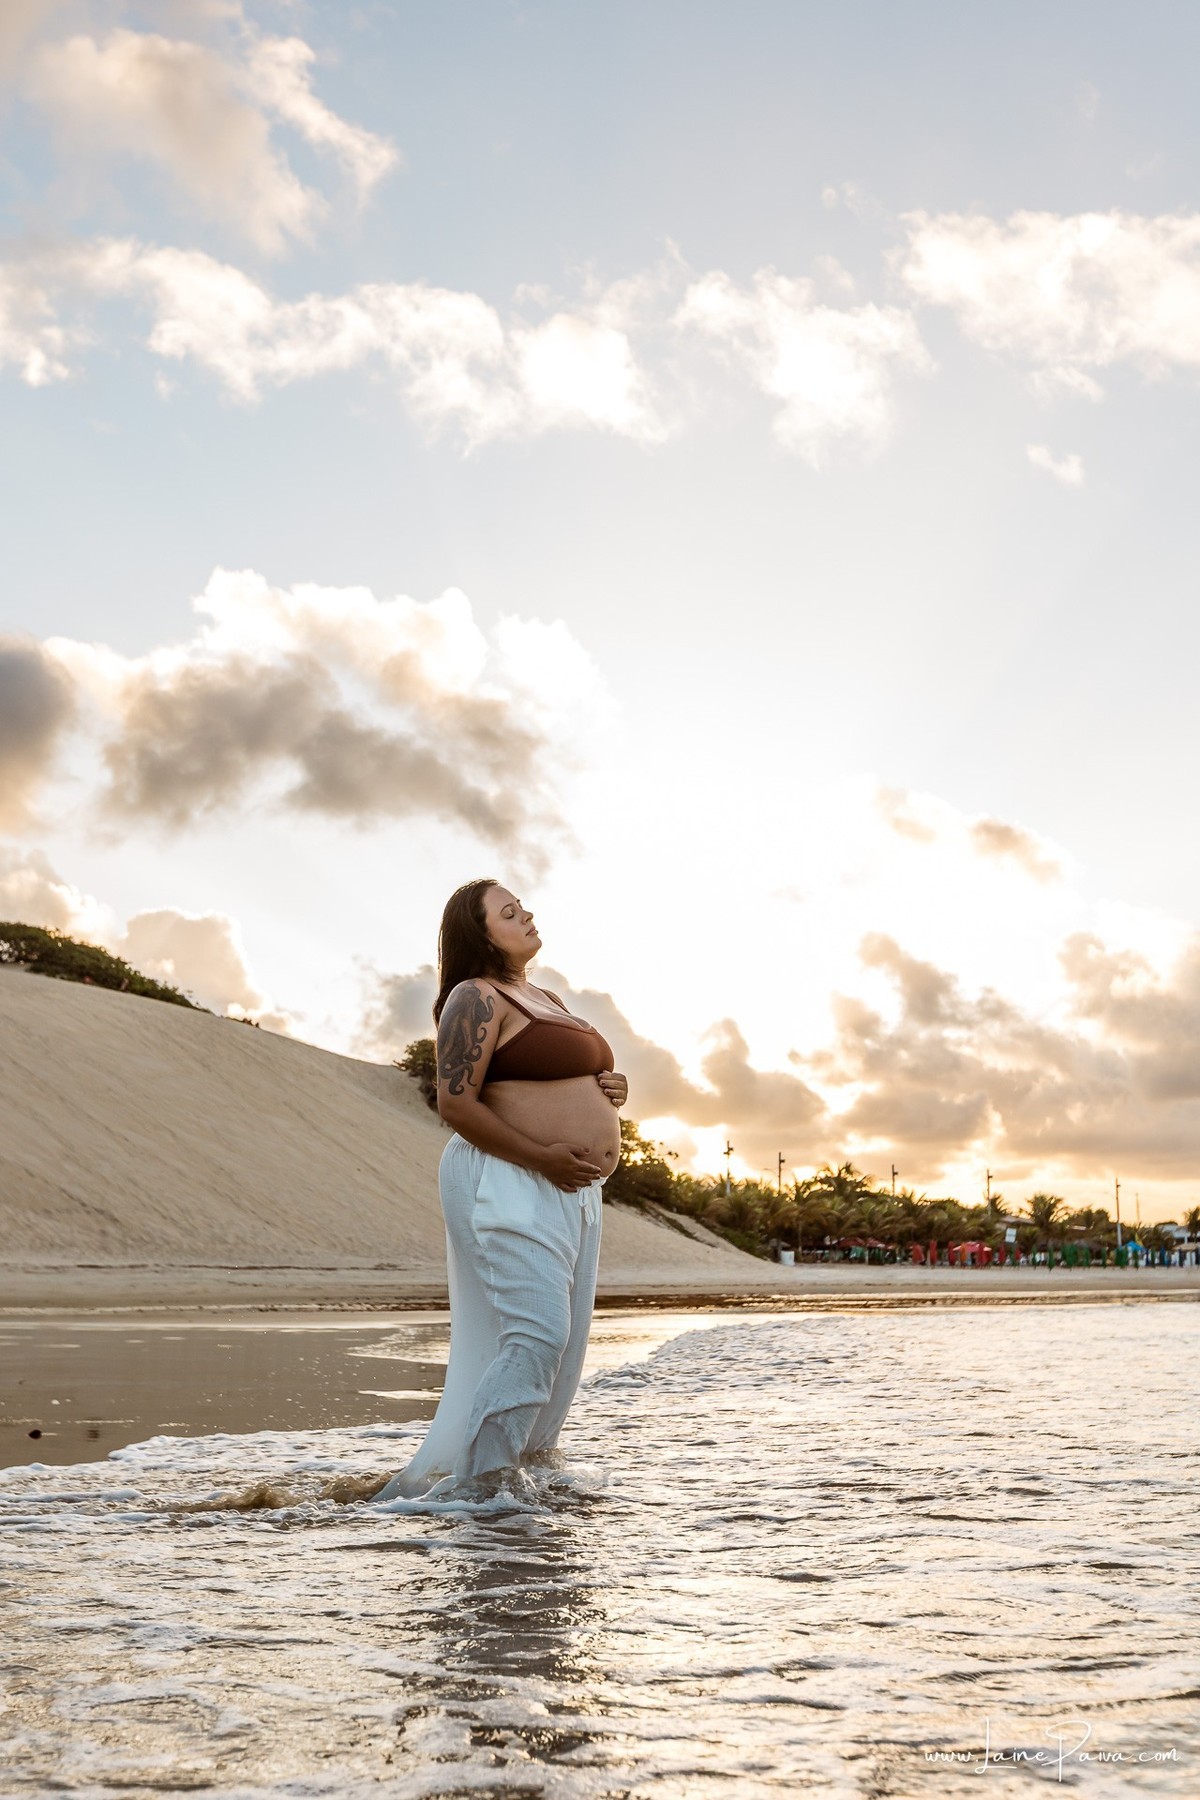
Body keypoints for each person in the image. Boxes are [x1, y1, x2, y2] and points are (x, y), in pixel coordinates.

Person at [369, 878, 627, 1502]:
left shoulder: (542, 995)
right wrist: (542, 1155)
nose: (526, 915)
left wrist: (609, 1089)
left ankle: (520, 1484)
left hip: (572, 1193)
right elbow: (455, 1102)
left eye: (523, 906)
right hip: (509, 1177)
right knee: (537, 1333)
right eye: (508, 913)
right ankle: (480, 1492)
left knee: (562, 1357)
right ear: (480, 935)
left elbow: (559, 1076)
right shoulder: (475, 995)